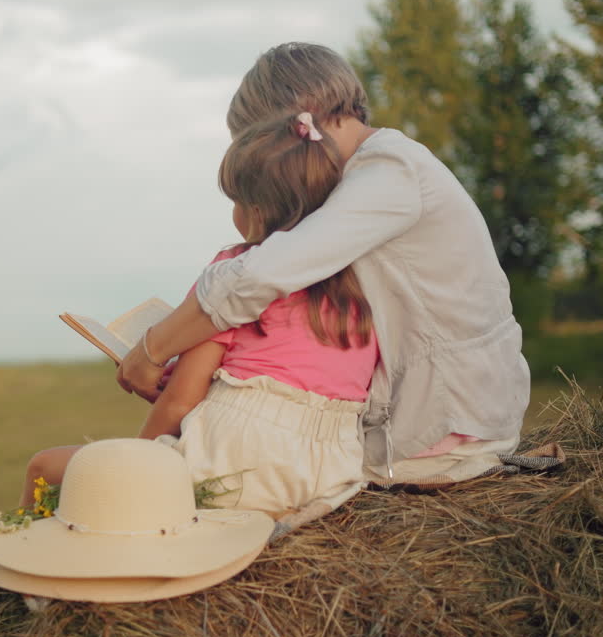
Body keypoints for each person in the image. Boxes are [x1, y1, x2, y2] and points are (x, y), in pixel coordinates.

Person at [117, 42, 529, 487]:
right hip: (444, 414)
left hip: (441, 432)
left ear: (302, 116)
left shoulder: (391, 172)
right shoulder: (368, 174)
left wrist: (151, 350)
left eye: (267, 142)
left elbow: (255, 277)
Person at [23, 111, 376, 517]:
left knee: (44, 468)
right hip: (326, 476)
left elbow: (179, 403)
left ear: (256, 210)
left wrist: (138, 461)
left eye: (236, 202)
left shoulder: (234, 273)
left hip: (235, 461)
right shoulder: (357, 289)